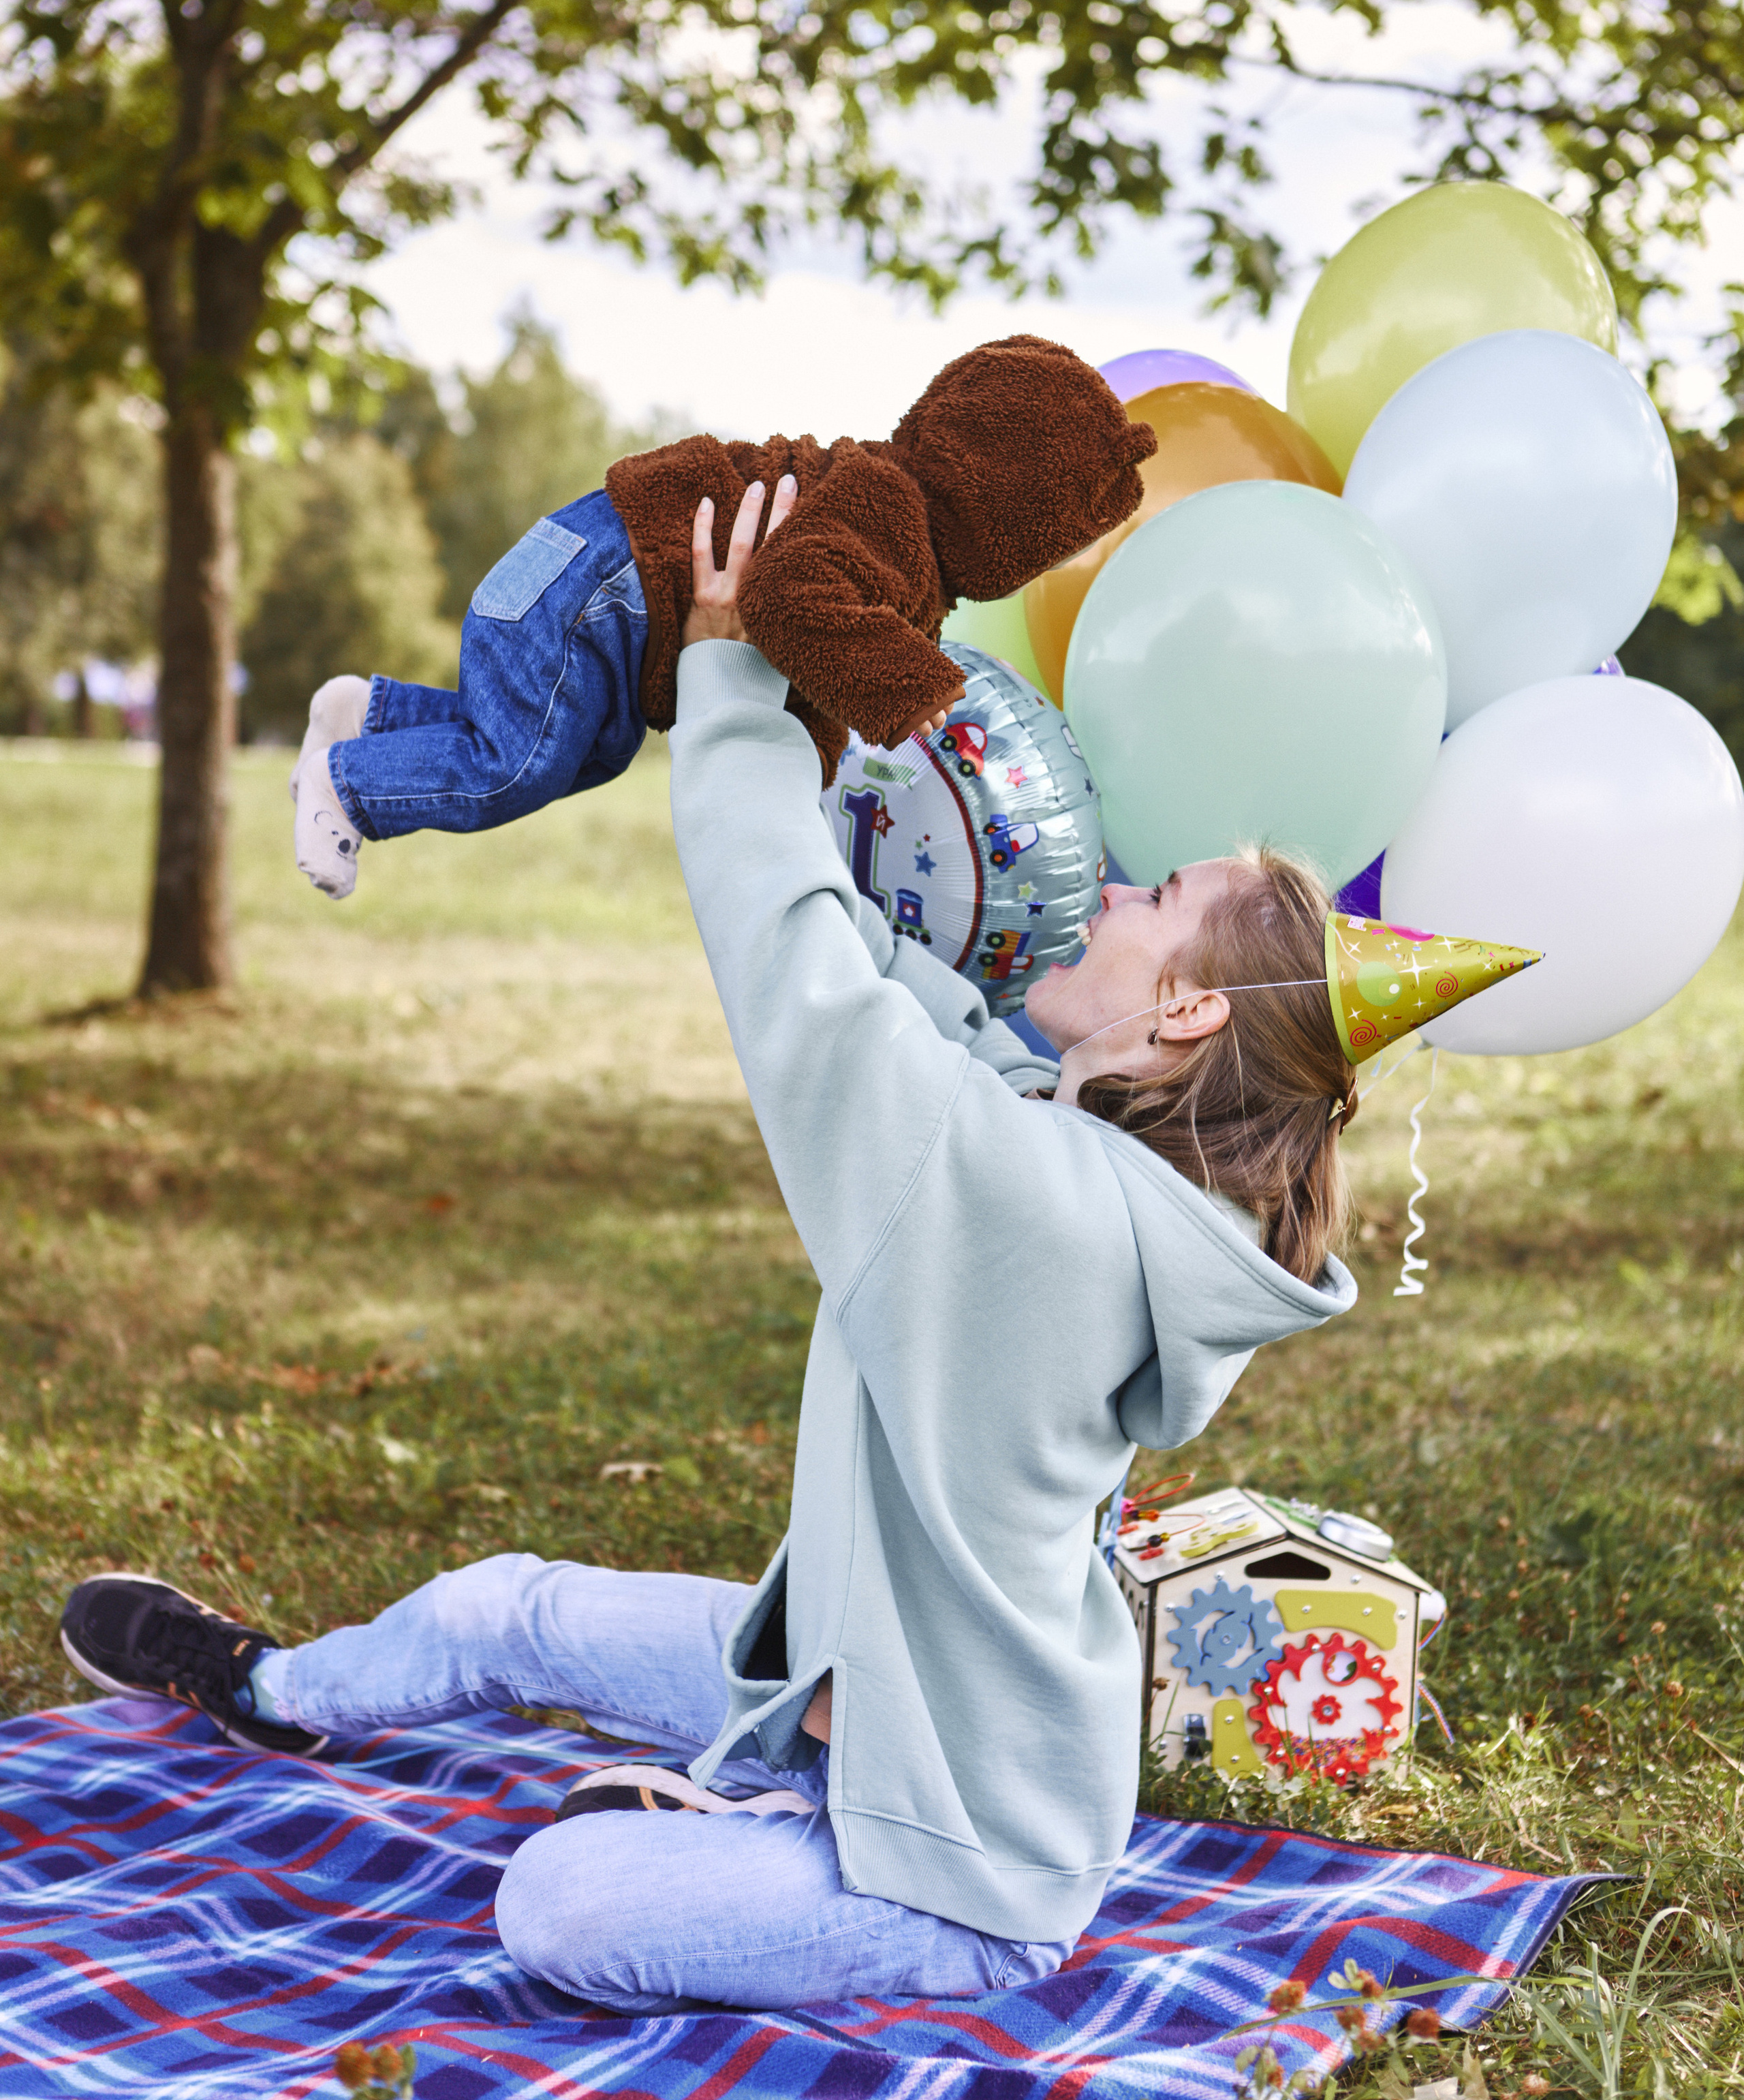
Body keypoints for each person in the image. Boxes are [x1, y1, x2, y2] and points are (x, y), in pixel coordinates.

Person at [61, 483, 1362, 2014]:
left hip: (958, 1869)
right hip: (849, 1679)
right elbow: (898, 980)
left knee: (558, 1903)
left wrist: (734, 681)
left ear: (1186, 1013)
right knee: (504, 1609)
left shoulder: (1036, 1208)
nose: (1111, 890)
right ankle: (269, 1691)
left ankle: (737, 1816)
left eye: (1155, 898)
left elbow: (799, 967)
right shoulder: (1063, 1156)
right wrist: (826, 725)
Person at [289, 333, 1153, 895]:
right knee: (517, 768)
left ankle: (364, 716)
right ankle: (348, 787)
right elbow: (788, 603)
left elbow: (805, 678)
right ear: (1004, 508)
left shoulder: (897, 539)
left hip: (591, 564)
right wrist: (908, 684)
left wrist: (807, 791)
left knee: (587, 752)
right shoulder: (890, 513)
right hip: (607, 581)